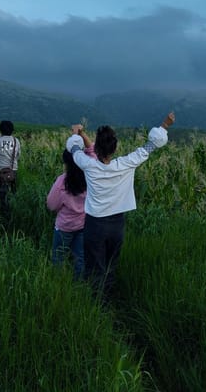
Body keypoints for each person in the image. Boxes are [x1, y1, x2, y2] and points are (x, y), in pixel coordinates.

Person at [66, 112, 175, 300]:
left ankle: (95, 303)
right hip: (117, 224)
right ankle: (107, 299)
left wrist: (77, 132)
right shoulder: (126, 163)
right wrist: (165, 124)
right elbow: (151, 146)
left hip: (95, 224)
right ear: (115, 148)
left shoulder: (88, 165)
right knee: (110, 265)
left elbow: (74, 149)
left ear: (96, 149)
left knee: (95, 265)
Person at [46, 149, 87, 279]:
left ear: (66, 163)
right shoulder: (89, 177)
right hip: (83, 225)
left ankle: (59, 284)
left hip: (64, 226)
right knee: (80, 257)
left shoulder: (63, 180)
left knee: (58, 257)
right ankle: (79, 284)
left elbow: (51, 205)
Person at [0, 120, 21, 218]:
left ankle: (5, 214)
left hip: (2, 171)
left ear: (1, 130)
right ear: (12, 130)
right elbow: (18, 156)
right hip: (13, 169)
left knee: (3, 193)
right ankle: (15, 211)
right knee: (14, 191)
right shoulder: (16, 141)